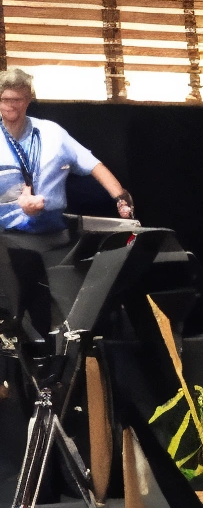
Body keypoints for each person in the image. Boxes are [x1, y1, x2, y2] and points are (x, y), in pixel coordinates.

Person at [0, 67, 135, 333]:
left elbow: (93, 164)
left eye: (17, 99)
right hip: (7, 242)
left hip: (55, 241)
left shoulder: (52, 133)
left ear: (28, 100)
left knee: (68, 321)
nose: (10, 105)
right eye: (5, 99)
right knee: (19, 319)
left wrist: (120, 197)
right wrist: (17, 205)